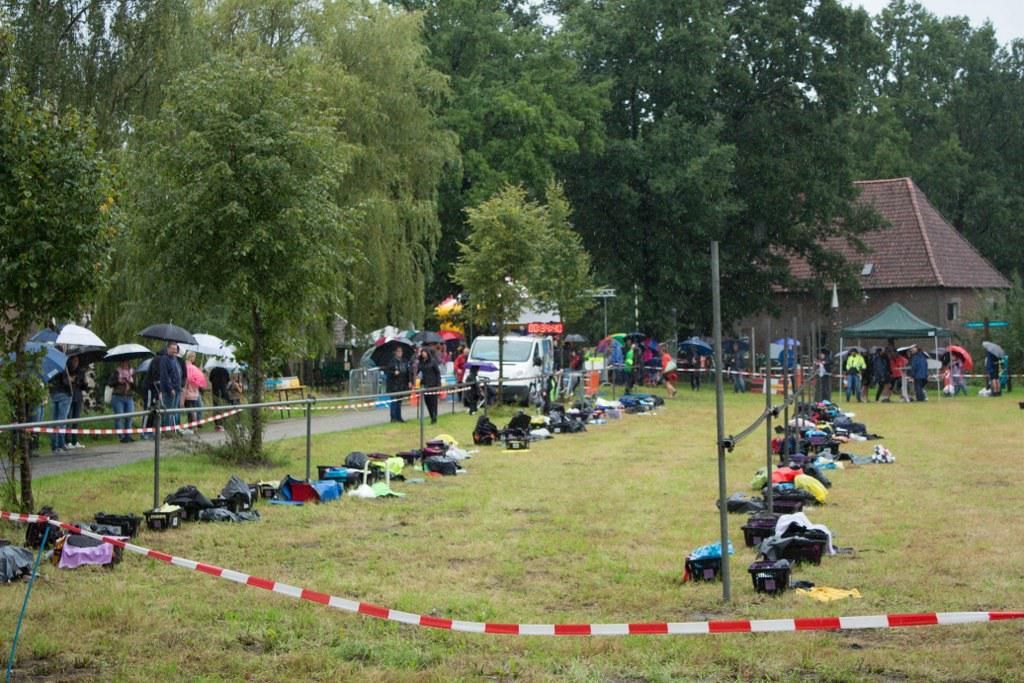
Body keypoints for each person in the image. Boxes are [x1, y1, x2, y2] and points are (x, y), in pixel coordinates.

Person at [107, 360, 136, 443]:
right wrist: (118, 381)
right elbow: (110, 383)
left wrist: (132, 382)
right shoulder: (116, 372)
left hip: (129, 397)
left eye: (126, 363)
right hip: (118, 396)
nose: (125, 364)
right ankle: (121, 436)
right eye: (123, 362)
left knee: (129, 417)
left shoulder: (132, 372)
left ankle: (128, 435)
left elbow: (136, 386)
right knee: (119, 417)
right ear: (120, 363)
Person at [47, 362, 73, 453]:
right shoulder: (62, 364)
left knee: (54, 420)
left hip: (54, 394)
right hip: (64, 394)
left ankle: (54, 445)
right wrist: (71, 392)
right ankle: (62, 444)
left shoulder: (50, 365)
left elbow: (48, 379)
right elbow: (66, 381)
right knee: (62, 420)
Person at [157, 342, 183, 429]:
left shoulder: (175, 359)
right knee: (168, 411)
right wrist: (170, 388)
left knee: (174, 411)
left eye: (175, 349)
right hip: (169, 390)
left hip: (177, 388)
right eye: (172, 349)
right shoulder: (165, 359)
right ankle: (167, 430)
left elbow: (178, 373)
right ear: (168, 349)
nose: (174, 351)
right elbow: (164, 376)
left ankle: (173, 429)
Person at [64, 355, 87, 449]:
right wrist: (71, 380)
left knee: (76, 420)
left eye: (77, 361)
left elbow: (83, 387)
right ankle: (67, 441)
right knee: (69, 419)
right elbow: (65, 383)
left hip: (78, 397)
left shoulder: (81, 372)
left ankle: (75, 440)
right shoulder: (66, 371)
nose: (75, 363)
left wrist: (84, 382)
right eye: (74, 361)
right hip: (69, 396)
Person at [384, 345, 411, 423]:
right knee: (394, 402)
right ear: (395, 352)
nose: (400, 353)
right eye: (398, 351)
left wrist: (409, 381)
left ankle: (399, 417)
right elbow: (387, 372)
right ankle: (393, 418)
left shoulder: (404, 361)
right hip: (394, 385)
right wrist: (393, 373)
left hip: (402, 384)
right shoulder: (391, 362)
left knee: (399, 401)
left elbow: (407, 372)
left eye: (401, 351)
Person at [182, 351, 206, 434]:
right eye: (194, 357)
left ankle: (192, 427)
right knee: (194, 410)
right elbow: (199, 383)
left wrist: (183, 397)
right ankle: (194, 426)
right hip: (195, 394)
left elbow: (186, 382)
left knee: (190, 411)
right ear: (191, 358)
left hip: (188, 394)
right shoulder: (195, 369)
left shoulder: (186, 368)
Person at [418, 346, 442, 424]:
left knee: (433, 402)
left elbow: (437, 373)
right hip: (425, 385)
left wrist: (438, 383)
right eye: (422, 353)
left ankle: (434, 417)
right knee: (427, 402)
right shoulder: (421, 363)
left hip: (433, 384)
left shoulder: (433, 362)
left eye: (424, 353)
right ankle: (431, 416)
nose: (423, 354)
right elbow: (418, 372)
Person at [209, 363, 230, 432]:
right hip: (224, 391)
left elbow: (210, 379)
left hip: (215, 391)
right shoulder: (225, 370)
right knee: (225, 406)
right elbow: (228, 380)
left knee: (216, 407)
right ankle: (225, 423)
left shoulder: (213, 370)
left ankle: (217, 424)